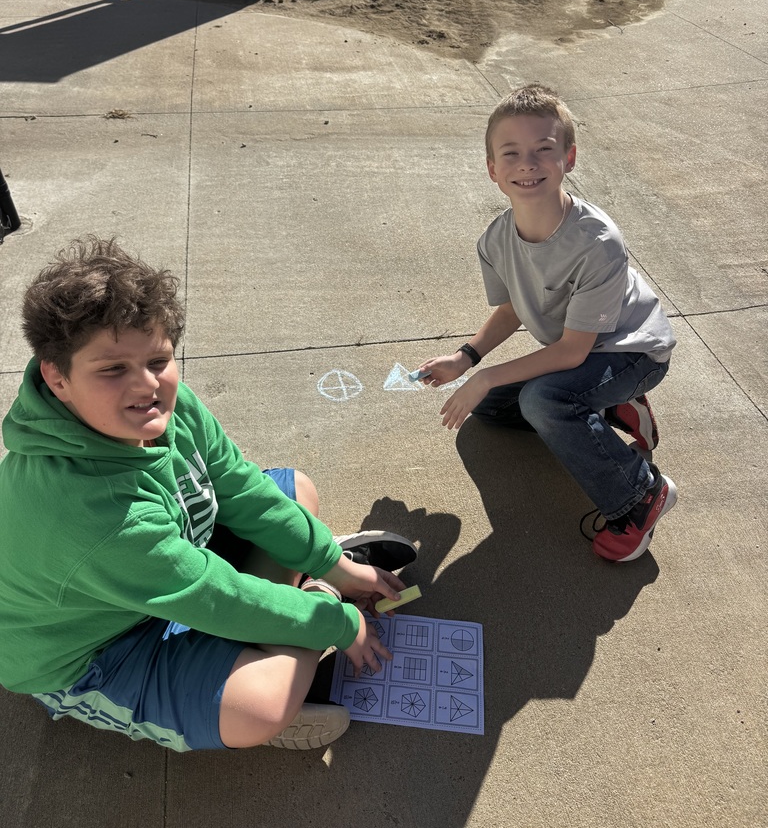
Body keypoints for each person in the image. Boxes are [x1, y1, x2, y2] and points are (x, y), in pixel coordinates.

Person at [0, 236, 417, 752]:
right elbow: (213, 597)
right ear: (56, 377)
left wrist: (336, 562)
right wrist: (336, 617)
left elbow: (242, 488)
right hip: (94, 651)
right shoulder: (94, 513)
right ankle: (284, 641)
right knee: (264, 706)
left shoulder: (163, 404)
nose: (145, 385)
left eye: (157, 359)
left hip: (160, 576)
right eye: (112, 369)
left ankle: (302, 595)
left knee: (293, 492)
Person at [416, 83, 677, 563]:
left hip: (632, 352)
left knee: (544, 400)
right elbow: (515, 306)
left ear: (569, 158)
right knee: (493, 408)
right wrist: (465, 359)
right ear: (492, 170)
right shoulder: (496, 239)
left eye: (543, 149)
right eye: (510, 152)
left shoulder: (597, 241)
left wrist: (487, 374)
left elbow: (572, 353)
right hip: (582, 351)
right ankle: (611, 408)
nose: (527, 163)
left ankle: (639, 495)